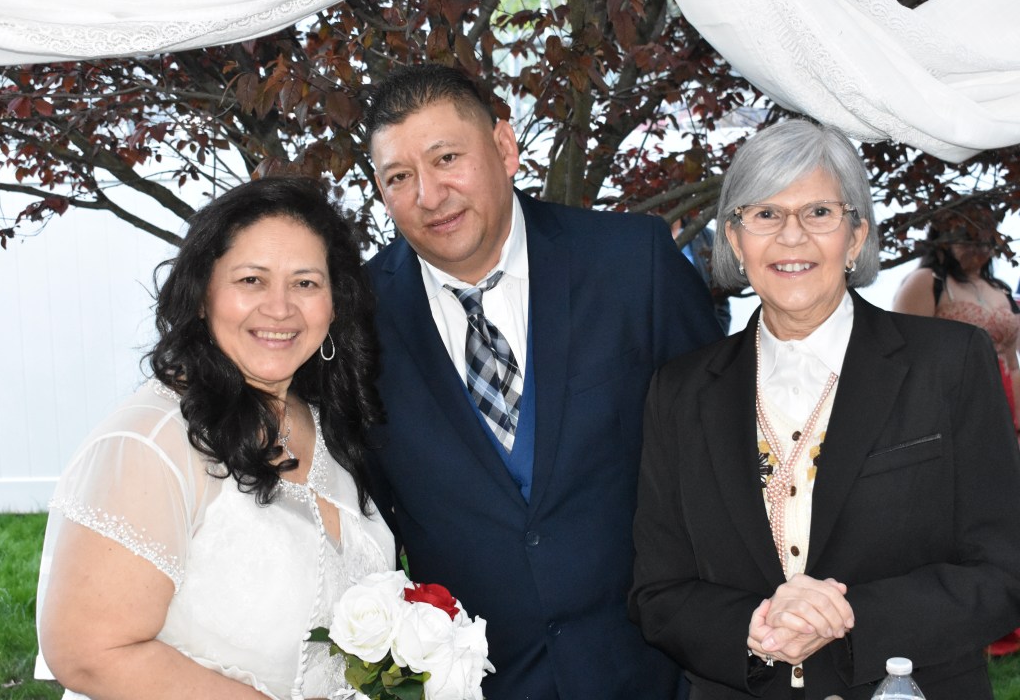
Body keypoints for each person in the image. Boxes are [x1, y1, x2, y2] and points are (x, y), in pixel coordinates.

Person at [361, 63, 722, 700]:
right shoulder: (357, 319)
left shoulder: (633, 264)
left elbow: (721, 453)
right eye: (399, 177)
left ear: (504, 147)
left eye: (447, 158)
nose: (429, 195)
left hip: (659, 674)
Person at [629, 119, 1020, 699]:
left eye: (818, 213)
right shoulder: (679, 391)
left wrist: (851, 616)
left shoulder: (950, 362)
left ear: (856, 237)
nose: (792, 237)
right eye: (765, 214)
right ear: (734, 240)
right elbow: (657, 592)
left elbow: (1003, 569)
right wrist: (752, 630)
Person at [36, 177, 395, 699]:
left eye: (305, 283)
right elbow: (89, 652)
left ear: (334, 304)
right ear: (202, 295)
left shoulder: (324, 423)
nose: (280, 308)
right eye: (251, 280)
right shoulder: (150, 441)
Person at [892, 204, 1020, 433]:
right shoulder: (927, 281)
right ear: (942, 240)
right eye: (967, 238)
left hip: (1003, 403)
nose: (977, 247)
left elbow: (1012, 363)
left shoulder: (1001, 289)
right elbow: (904, 358)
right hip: (950, 406)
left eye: (984, 238)